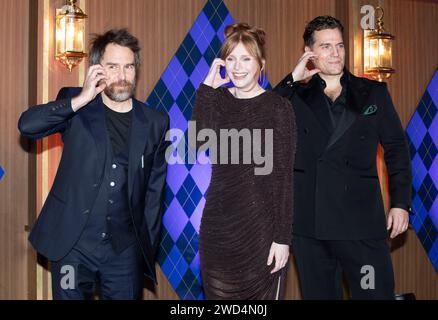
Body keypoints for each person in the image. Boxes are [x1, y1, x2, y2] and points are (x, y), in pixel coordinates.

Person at [18, 29, 169, 300]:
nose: (122, 76)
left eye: (129, 67)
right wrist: (81, 99)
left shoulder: (155, 122)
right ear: (98, 69)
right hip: (72, 248)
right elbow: (27, 126)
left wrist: (144, 248)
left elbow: (154, 194)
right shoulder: (76, 103)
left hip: (124, 253)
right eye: (113, 67)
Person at [274, 16, 412, 299]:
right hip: (311, 226)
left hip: (361, 224)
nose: (335, 53)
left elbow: (396, 148)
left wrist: (400, 203)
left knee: (375, 295)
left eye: (339, 45)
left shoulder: (374, 92)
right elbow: (262, 122)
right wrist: (290, 79)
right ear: (310, 52)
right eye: (326, 46)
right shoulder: (295, 96)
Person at [191, 23, 296, 300]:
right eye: (231, 59)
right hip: (217, 230)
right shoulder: (218, 99)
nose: (238, 67)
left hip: (262, 232)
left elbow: (284, 178)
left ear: (261, 63)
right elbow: (197, 143)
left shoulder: (278, 108)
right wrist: (207, 89)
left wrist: (283, 238)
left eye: (246, 58)